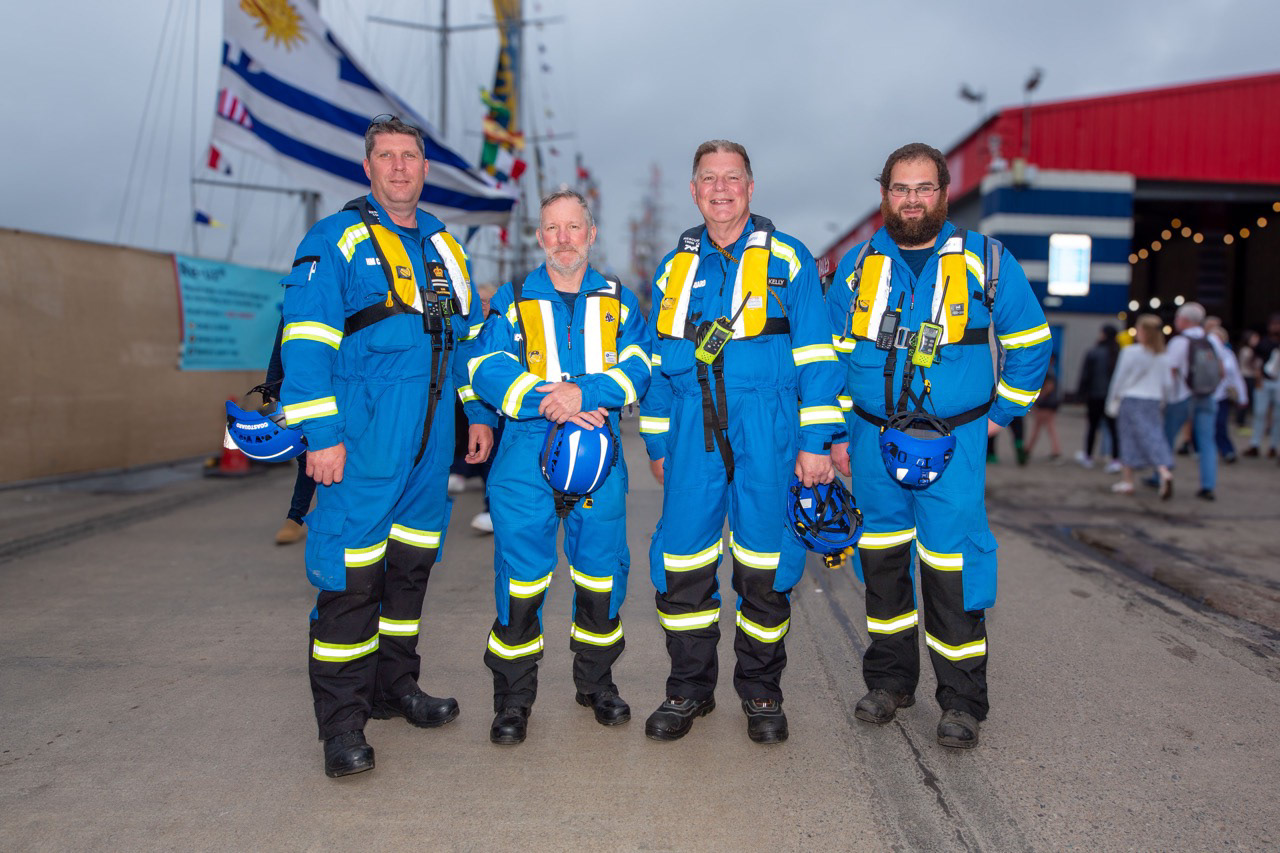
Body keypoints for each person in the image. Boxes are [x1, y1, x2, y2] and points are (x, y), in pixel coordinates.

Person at [280, 115, 495, 778]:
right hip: (362, 444)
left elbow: (466, 340)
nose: (401, 167)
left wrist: (478, 412)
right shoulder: (336, 239)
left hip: (429, 449)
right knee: (349, 580)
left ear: (424, 168)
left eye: (411, 157)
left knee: (408, 573)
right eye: (388, 157)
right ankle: (341, 724)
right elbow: (306, 345)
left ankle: (394, 688)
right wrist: (321, 435)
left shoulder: (443, 246)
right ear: (368, 167)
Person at [826, 142, 1051, 749]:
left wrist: (1002, 415)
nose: (912, 200)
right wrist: (839, 432)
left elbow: (1031, 343)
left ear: (945, 193)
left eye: (924, 188)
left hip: (956, 444)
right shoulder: (857, 266)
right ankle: (890, 683)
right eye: (901, 189)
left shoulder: (988, 260)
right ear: (884, 196)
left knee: (953, 567)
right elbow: (828, 358)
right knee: (883, 565)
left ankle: (961, 702)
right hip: (872, 443)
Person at [640, 140, 843, 745]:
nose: (720, 188)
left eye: (732, 178)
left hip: (771, 431)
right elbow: (654, 363)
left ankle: (760, 690)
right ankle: (688, 690)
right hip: (689, 435)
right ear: (694, 190)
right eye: (708, 178)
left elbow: (817, 356)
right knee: (683, 564)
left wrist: (816, 440)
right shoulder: (673, 268)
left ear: (751, 188)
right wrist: (656, 442)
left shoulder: (791, 259)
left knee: (764, 565)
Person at [468, 189, 651, 745]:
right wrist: (545, 400)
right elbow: (484, 365)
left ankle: (596, 684)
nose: (563, 238)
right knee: (521, 580)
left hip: (600, 454)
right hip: (526, 452)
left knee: (600, 574)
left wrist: (582, 391)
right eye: (552, 228)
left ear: (591, 234)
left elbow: (641, 364)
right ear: (540, 238)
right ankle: (514, 699)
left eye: (573, 227)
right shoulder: (512, 298)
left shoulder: (619, 300)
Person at [1163, 302, 1230, 500]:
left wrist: (1166, 397)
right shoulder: (1213, 341)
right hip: (1207, 396)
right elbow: (1222, 371)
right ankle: (1207, 485)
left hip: (1182, 397)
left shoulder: (1178, 342)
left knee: (1167, 438)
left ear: (1184, 320)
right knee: (1207, 442)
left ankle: (1161, 476)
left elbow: (1170, 371)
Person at [1105, 315, 1174, 497]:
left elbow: (1119, 379)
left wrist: (1112, 401)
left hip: (1132, 399)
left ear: (1143, 331)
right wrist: (1163, 402)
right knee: (1153, 436)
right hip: (1153, 400)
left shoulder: (1130, 352)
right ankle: (1163, 470)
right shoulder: (1163, 356)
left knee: (1128, 439)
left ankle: (1128, 481)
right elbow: (1168, 384)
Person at [265, 317, 317, 545]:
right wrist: (272, 388)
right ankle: (295, 518)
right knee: (306, 457)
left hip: (343, 384)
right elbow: (282, 344)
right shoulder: (296, 293)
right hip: (302, 388)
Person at [1076, 324, 1122, 472]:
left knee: (1092, 427)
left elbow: (1085, 375)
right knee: (1114, 429)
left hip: (1095, 396)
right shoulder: (1119, 353)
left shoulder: (1094, 352)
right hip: (1112, 397)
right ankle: (1115, 459)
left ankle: (1088, 456)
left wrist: (1081, 394)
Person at [1209, 326, 1248, 462]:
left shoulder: (1228, 354)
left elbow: (1236, 375)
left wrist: (1243, 396)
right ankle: (1208, 451)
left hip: (1222, 395)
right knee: (1208, 426)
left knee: (1220, 424)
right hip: (1207, 394)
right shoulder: (1205, 353)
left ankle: (1227, 451)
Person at [1244, 314, 1280, 458]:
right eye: (1274, 324)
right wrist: (1257, 374)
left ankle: (1274, 446)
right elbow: (1254, 360)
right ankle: (1255, 444)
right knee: (1259, 413)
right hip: (1264, 381)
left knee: (1278, 416)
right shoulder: (1264, 342)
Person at [1025, 354, 1062, 461]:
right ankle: (1055, 450)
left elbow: (1049, 387)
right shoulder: (1052, 371)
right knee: (1048, 427)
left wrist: (1038, 398)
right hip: (1050, 403)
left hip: (1045, 404)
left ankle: (1029, 449)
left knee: (1039, 427)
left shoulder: (1047, 371)